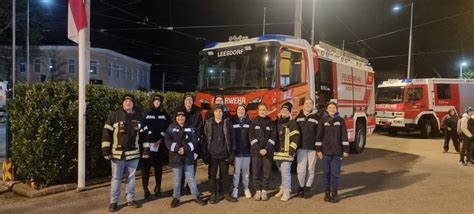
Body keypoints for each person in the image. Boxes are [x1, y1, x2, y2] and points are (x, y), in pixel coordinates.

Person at [101, 94, 151, 212]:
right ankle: (114, 202)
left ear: (133, 104)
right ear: (123, 103)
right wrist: (106, 150)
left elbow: (145, 135)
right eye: (125, 101)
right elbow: (106, 133)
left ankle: (131, 199)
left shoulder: (139, 117)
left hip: (133, 154)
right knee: (116, 179)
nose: (127, 103)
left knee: (131, 178)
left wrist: (146, 150)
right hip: (117, 154)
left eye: (130, 101)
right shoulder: (114, 116)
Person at [164, 109, 207, 208]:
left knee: (191, 178)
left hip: (188, 157)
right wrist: (176, 148)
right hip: (176, 157)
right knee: (177, 179)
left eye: (182, 116)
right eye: (178, 116)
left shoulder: (191, 128)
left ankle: (195, 196)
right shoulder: (170, 128)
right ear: (176, 118)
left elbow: (194, 140)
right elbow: (167, 139)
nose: (180, 118)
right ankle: (176, 197)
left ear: (185, 118)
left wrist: (185, 149)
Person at [203, 104, 238, 204]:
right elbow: (205, 140)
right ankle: (213, 194)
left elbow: (232, 138)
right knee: (212, 176)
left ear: (223, 113)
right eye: (217, 111)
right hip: (212, 155)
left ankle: (226, 193)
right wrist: (205, 154)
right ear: (213, 113)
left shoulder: (227, 123)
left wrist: (232, 153)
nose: (218, 113)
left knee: (225, 175)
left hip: (224, 154)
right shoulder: (208, 123)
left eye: (220, 111)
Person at [316, 102, 349, 203]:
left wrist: (346, 150)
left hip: (337, 152)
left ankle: (334, 193)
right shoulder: (322, 120)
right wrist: (318, 150)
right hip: (325, 152)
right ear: (327, 109)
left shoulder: (340, 120)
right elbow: (319, 136)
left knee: (335, 174)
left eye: (333, 107)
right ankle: (327, 193)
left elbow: (344, 135)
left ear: (336, 109)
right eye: (330, 107)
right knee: (326, 174)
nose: (332, 109)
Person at [141, 93, 170, 199]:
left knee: (158, 167)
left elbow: (168, 127)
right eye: (155, 101)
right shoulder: (146, 113)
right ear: (152, 102)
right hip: (148, 146)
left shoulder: (164, 113)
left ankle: (158, 187)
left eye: (159, 101)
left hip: (160, 145)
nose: (157, 103)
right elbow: (143, 128)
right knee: (146, 168)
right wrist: (150, 140)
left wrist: (161, 139)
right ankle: (145, 189)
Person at [249, 104, 277, 201]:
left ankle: (264, 191)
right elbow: (252, 138)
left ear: (267, 111)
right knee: (256, 173)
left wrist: (266, 149)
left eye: (264, 110)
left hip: (267, 152)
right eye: (260, 110)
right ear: (258, 111)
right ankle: (258, 191)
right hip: (256, 152)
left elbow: (273, 138)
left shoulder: (271, 123)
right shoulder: (253, 123)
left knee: (266, 173)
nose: (262, 111)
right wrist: (259, 149)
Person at [273, 102, 299, 202]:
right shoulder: (278, 122)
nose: (284, 112)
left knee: (285, 172)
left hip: (287, 152)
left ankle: (287, 191)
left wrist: (291, 151)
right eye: (283, 110)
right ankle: (282, 188)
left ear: (290, 112)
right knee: (281, 172)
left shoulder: (292, 123)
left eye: (286, 110)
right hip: (277, 152)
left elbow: (296, 138)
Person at [294, 98, 320, 198]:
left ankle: (307, 188)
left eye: (310, 104)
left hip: (313, 148)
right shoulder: (298, 117)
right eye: (306, 103)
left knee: (311, 169)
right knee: (301, 169)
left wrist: (318, 149)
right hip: (301, 147)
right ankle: (301, 187)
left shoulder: (317, 118)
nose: (308, 105)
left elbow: (319, 134)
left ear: (313, 105)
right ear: (303, 105)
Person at [181, 94, 203, 194]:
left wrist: (195, 139)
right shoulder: (179, 111)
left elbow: (199, 127)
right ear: (184, 101)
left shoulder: (197, 111)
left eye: (190, 100)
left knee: (192, 164)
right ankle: (180, 187)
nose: (188, 101)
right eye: (187, 100)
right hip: (181, 142)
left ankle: (190, 186)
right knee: (181, 165)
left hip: (193, 142)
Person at [231, 104, 253, 199]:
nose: (240, 111)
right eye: (239, 109)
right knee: (236, 172)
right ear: (236, 111)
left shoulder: (250, 122)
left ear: (245, 111)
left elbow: (251, 136)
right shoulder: (232, 121)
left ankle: (246, 188)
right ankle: (235, 188)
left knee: (246, 172)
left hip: (247, 151)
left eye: (242, 109)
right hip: (236, 152)